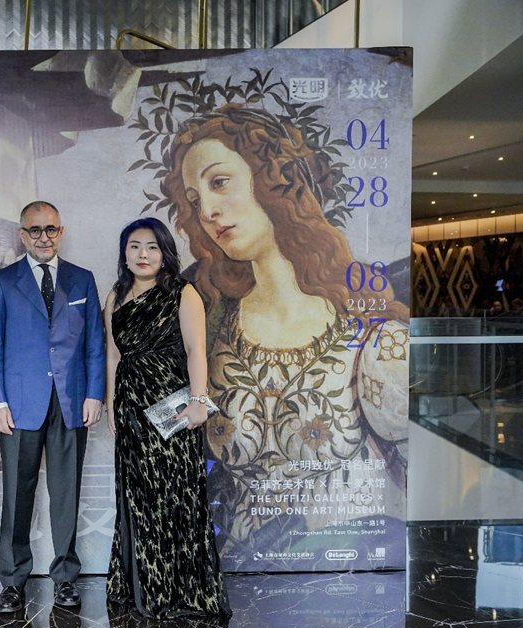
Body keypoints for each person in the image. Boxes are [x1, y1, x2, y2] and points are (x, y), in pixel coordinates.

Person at [161, 105, 409, 558]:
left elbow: (409, 482)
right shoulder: (210, 323)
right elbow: (173, 428)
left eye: (220, 182)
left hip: (344, 570)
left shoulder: (372, 339)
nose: (209, 211)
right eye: (195, 201)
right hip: (236, 569)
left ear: (273, 179)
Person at [104, 217, 230, 618]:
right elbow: (113, 356)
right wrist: (111, 404)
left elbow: (196, 351)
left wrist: (198, 402)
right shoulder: (115, 296)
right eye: (135, 246)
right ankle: (142, 585)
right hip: (131, 408)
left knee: (175, 495)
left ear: (165, 253)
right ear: (124, 254)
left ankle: (177, 589)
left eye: (152, 247)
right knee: (138, 496)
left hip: (173, 409)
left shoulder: (182, 292)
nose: (143, 254)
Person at [0, 200, 105, 613]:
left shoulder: (82, 280)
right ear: (22, 234)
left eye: (51, 229)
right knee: (17, 495)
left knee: (66, 493)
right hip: (18, 404)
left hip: (72, 400)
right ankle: (13, 581)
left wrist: (94, 393)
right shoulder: (2, 282)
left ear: (61, 231)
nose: (44, 237)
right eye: (35, 230)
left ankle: (65, 577)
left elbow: (94, 343)